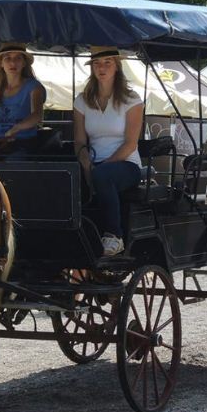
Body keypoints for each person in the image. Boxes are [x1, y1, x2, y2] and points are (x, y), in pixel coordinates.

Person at [73, 45, 143, 256]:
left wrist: (98, 170)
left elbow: (131, 143)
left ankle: (115, 236)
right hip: (92, 163)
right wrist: (86, 167)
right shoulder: (82, 100)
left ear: (117, 66)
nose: (101, 68)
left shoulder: (132, 99)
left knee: (103, 175)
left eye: (107, 63)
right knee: (64, 178)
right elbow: (79, 142)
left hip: (127, 164)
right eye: (96, 63)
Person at [0, 43, 46, 158]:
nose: (13, 63)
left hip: (24, 144)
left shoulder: (33, 86)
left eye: (18, 58)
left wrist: (16, 128)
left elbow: (37, 115)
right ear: (1, 64)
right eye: (8, 58)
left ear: (24, 63)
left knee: (14, 163)